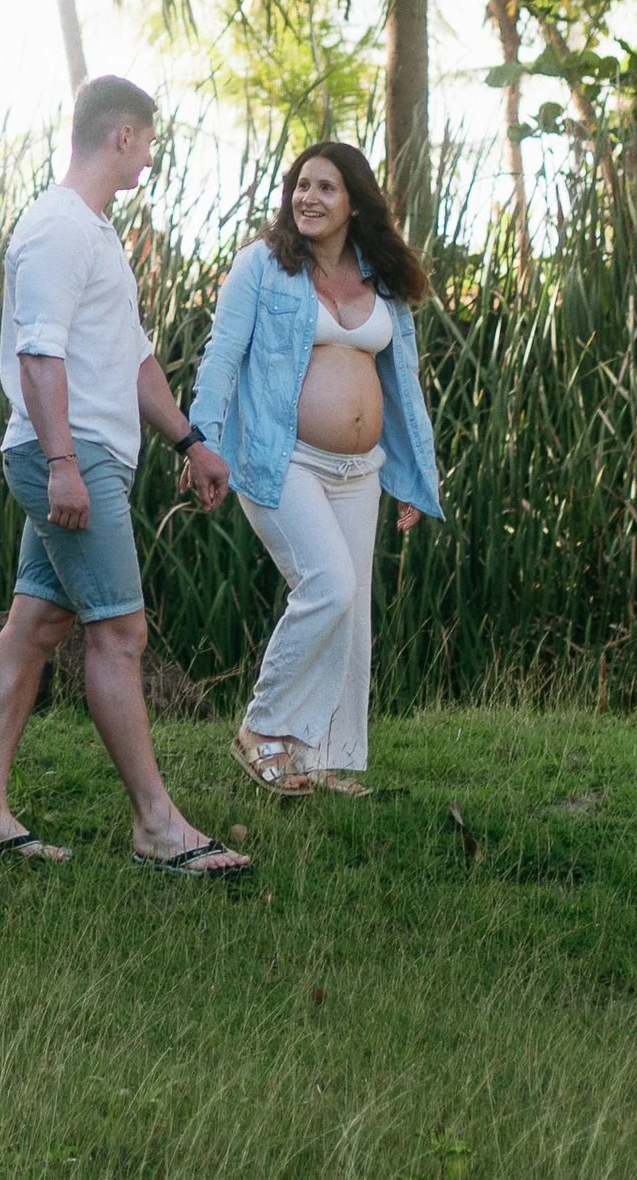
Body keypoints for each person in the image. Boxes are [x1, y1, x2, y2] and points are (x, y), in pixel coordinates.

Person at [0, 74, 253, 875]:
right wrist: (61, 464)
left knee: (38, 624)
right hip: (69, 452)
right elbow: (37, 351)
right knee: (120, 634)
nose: (151, 157)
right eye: (149, 141)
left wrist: (191, 441)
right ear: (121, 135)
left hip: (84, 451)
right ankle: (157, 825)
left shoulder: (96, 235)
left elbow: (136, 360)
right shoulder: (55, 228)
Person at [187, 137, 442, 796]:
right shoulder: (264, 266)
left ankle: (324, 756)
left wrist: (412, 478)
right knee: (326, 583)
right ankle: (263, 727)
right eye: (302, 184)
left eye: (326, 186)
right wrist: (200, 440)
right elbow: (220, 357)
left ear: (355, 201)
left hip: (360, 470)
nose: (309, 196)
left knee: (351, 609)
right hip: (281, 458)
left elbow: (403, 384)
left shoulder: (381, 279)